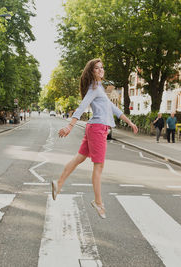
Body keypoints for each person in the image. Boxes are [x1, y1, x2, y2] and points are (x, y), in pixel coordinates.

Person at [51, 58, 138, 219]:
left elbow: (114, 109)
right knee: (98, 168)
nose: (100, 70)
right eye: (97, 68)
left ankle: (59, 183)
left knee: (78, 158)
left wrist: (130, 122)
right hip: (98, 129)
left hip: (95, 128)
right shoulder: (95, 88)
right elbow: (82, 106)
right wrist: (70, 125)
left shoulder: (100, 88)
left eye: (102, 68)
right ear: (92, 72)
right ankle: (98, 202)